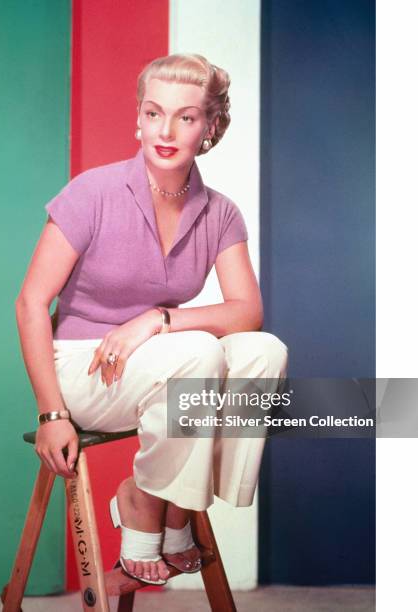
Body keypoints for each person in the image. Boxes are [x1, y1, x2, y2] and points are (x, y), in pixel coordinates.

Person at [15, 53, 288, 586]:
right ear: (137, 117)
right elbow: (29, 304)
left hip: (166, 364)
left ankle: (175, 507)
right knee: (201, 353)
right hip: (85, 369)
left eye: (186, 117)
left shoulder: (220, 212)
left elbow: (247, 312)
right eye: (153, 113)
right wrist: (51, 415)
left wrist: (154, 319)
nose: (166, 130)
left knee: (265, 351)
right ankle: (148, 514)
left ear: (209, 127)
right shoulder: (92, 192)